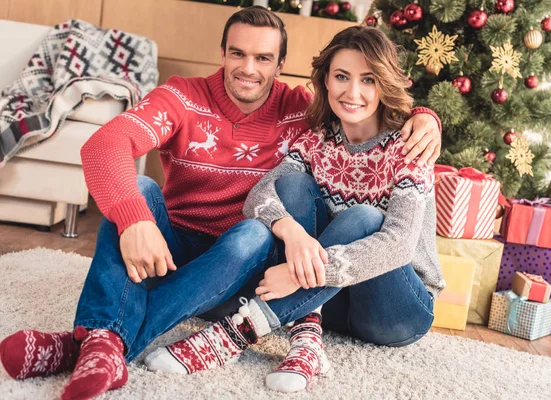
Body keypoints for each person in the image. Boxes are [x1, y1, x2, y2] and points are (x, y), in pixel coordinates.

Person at [0, 7, 441, 399]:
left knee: (271, 229)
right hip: (180, 255)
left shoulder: (305, 112)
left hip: (264, 269)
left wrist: (426, 117)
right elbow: (104, 147)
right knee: (140, 191)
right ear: (223, 52)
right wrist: (134, 219)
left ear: (280, 65)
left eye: (264, 58)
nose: (248, 68)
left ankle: (102, 343)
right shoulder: (190, 98)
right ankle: (100, 344)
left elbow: (366, 100)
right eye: (238, 54)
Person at [142, 25, 445, 394]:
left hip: (395, 309)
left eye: (368, 79)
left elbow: (398, 244)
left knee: (363, 218)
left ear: (384, 83)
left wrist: (301, 276)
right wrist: (293, 232)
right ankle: (307, 337)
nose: (353, 92)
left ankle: (236, 334)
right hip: (332, 299)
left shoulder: (412, 144)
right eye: (341, 77)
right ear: (325, 82)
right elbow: (259, 195)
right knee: (293, 185)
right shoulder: (319, 140)